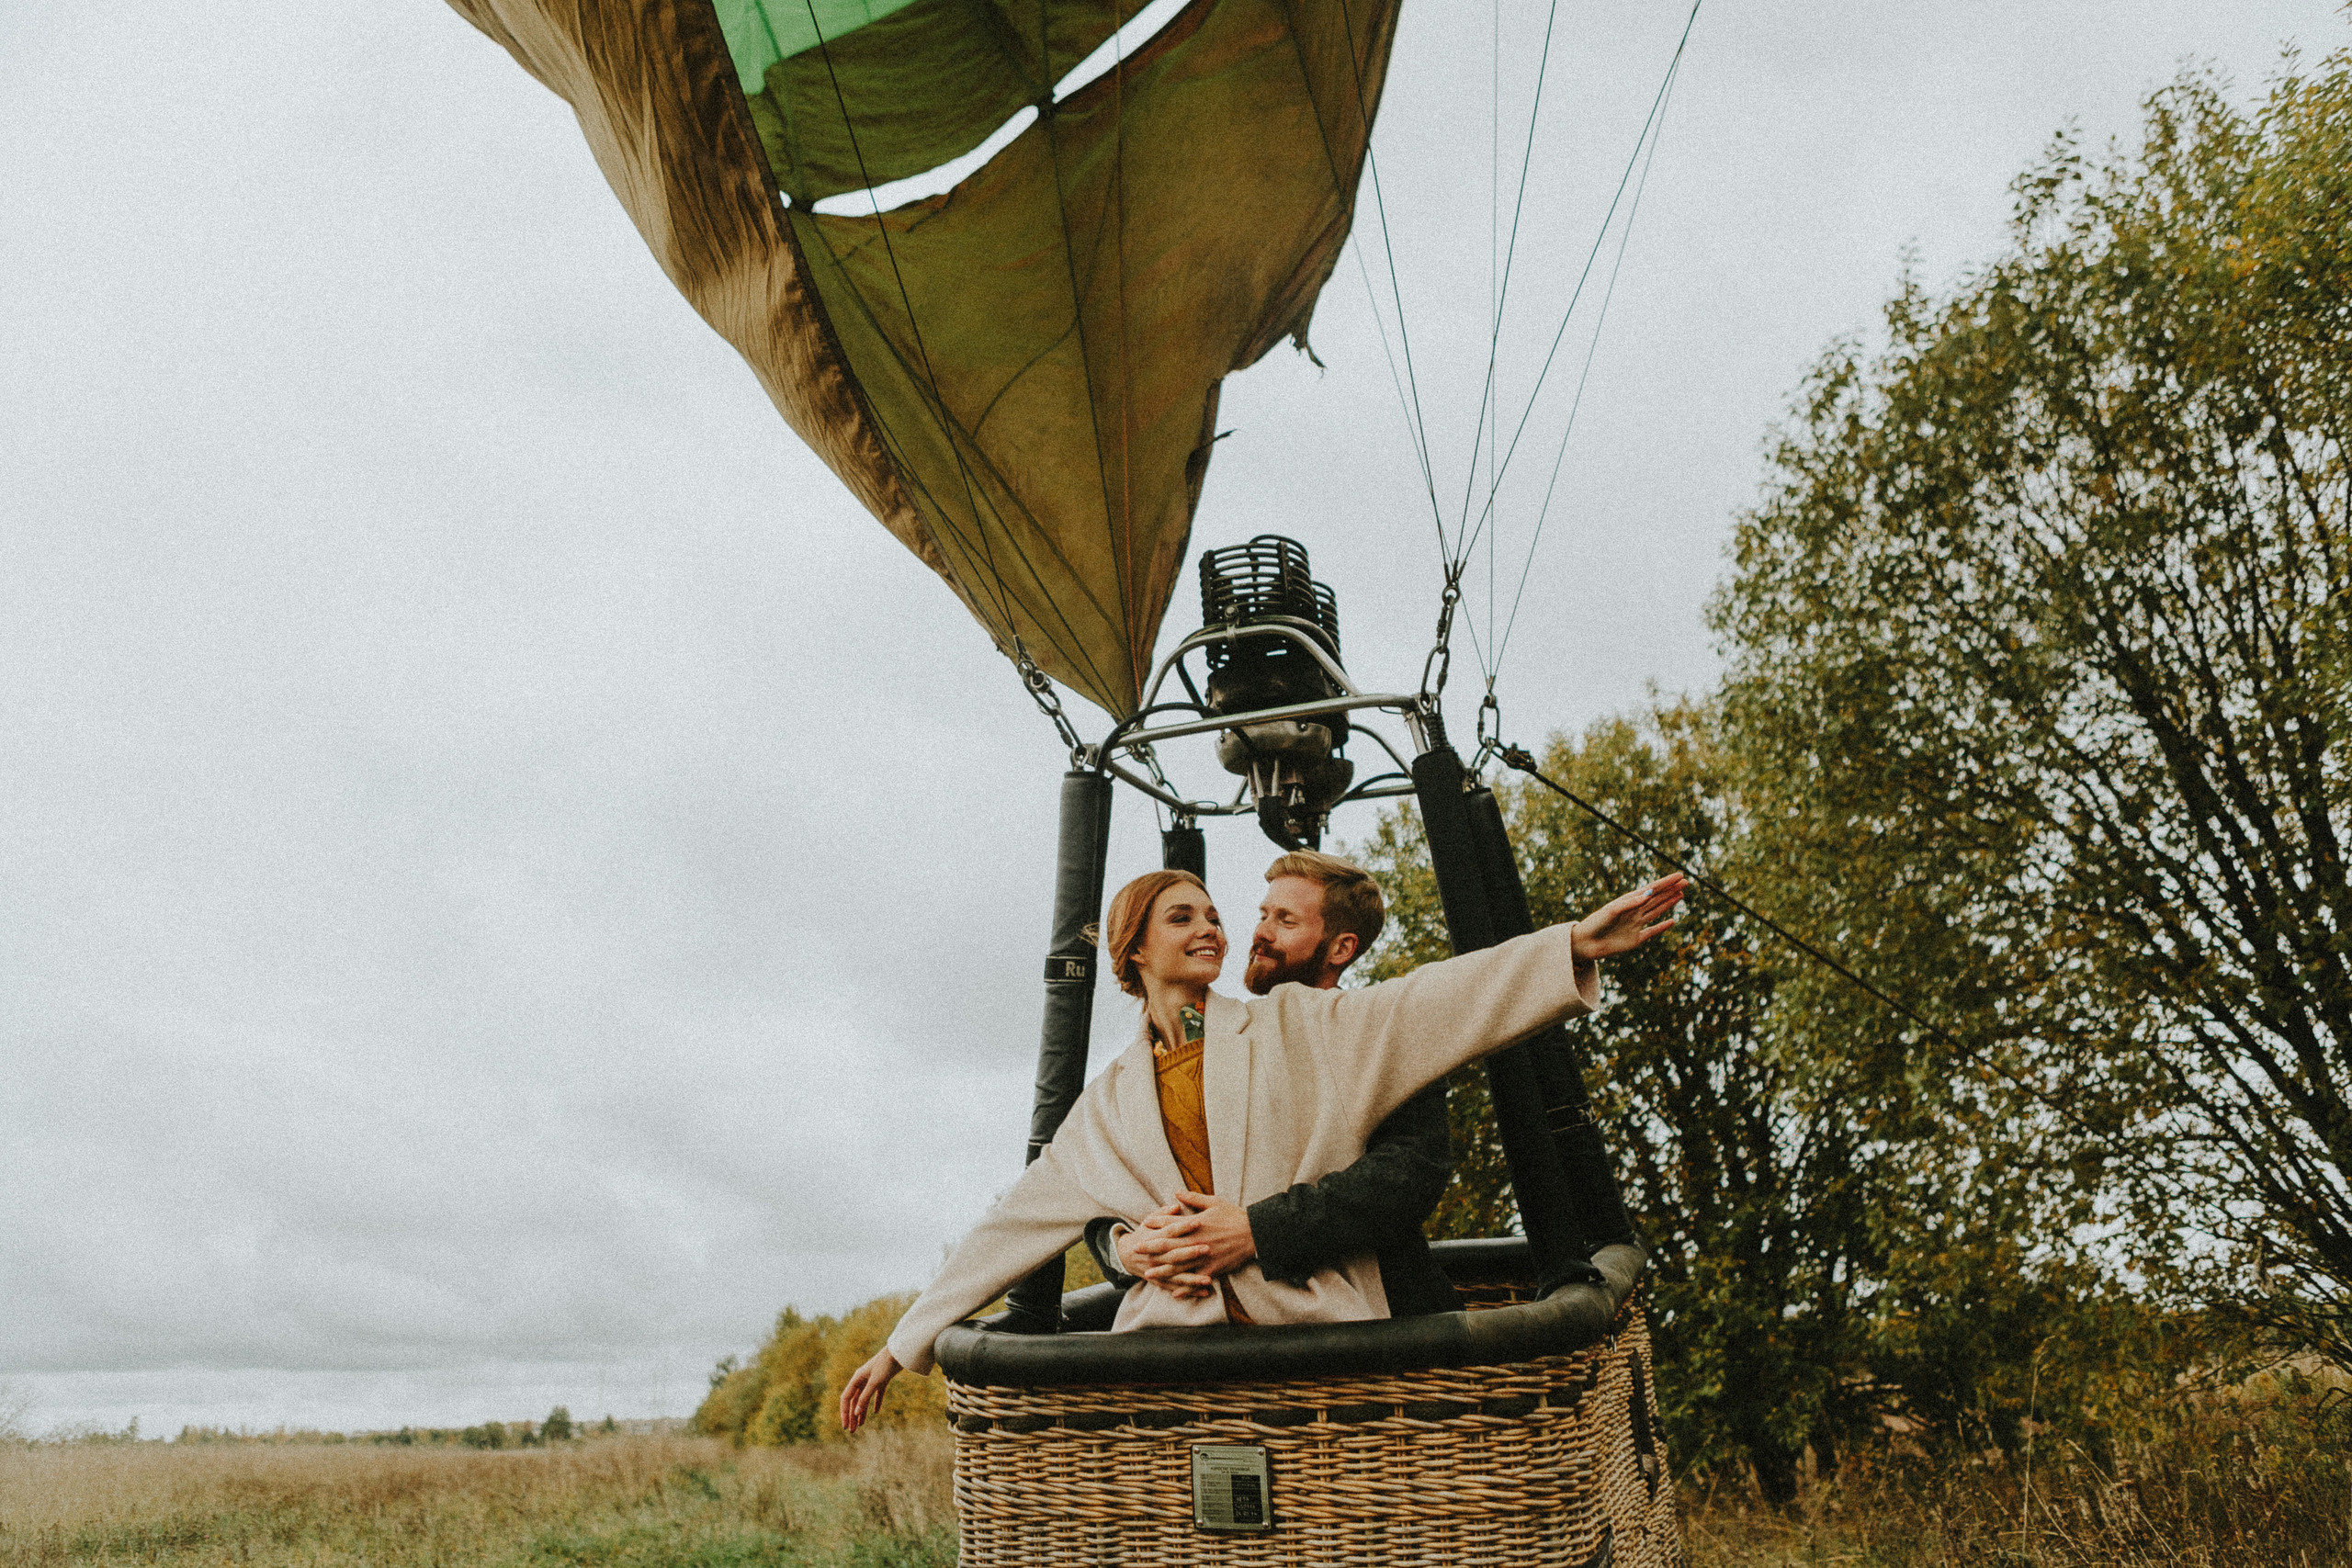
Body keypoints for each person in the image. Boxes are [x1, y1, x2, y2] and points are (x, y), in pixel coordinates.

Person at [839, 863, 1686, 1432]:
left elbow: (1428, 1002)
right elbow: (1015, 1222)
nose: (1213, 926)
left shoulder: (1298, 1022)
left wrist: (1567, 946)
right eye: (1185, 917)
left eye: (1214, 913)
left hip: (1313, 1347)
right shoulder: (1107, 1105)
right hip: (1176, 1362)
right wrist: (900, 1343)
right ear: (1135, 948)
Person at [1082, 851, 1459, 1318]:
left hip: (1369, 1326)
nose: (1260, 932)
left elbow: (1407, 1174)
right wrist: (1120, 1248)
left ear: (1340, 949)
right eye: (1263, 915)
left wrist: (1256, 1231)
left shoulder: (1379, 1037)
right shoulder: (1225, 1045)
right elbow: (1134, 1186)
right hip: (1216, 1333)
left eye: (1285, 920)